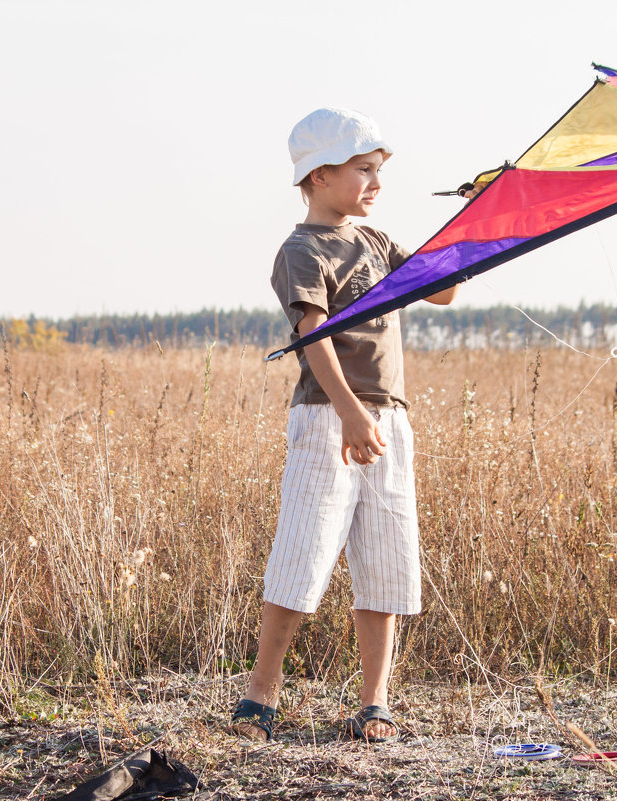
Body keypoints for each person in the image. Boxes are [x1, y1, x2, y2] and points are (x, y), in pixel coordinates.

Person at [230, 108, 458, 744]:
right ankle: (260, 694)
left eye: (378, 169)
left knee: (386, 558)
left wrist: (482, 223)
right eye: (364, 169)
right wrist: (350, 414)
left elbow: (443, 290)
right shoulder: (301, 250)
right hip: (328, 416)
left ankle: (375, 700)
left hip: (390, 418)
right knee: (301, 555)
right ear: (320, 175)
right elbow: (313, 338)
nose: (375, 181)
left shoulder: (379, 242)